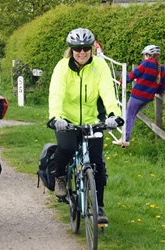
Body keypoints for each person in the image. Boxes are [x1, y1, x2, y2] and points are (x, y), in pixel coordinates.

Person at [49, 28, 124, 224]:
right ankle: (60, 177)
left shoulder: (100, 67)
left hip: (92, 119)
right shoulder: (62, 67)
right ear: (71, 50)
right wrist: (56, 117)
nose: (82, 52)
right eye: (77, 48)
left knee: (97, 162)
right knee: (65, 148)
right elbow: (56, 93)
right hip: (66, 120)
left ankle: (99, 207)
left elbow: (108, 92)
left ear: (91, 49)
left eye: (86, 48)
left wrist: (114, 114)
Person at [114, 45, 165, 147]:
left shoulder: (146, 63)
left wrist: (122, 81)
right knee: (132, 115)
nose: (144, 57)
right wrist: (159, 91)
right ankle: (125, 138)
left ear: (148, 55)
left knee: (129, 115)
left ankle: (125, 139)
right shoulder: (162, 68)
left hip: (137, 95)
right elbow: (162, 84)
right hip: (148, 98)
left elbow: (134, 74)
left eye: (145, 55)